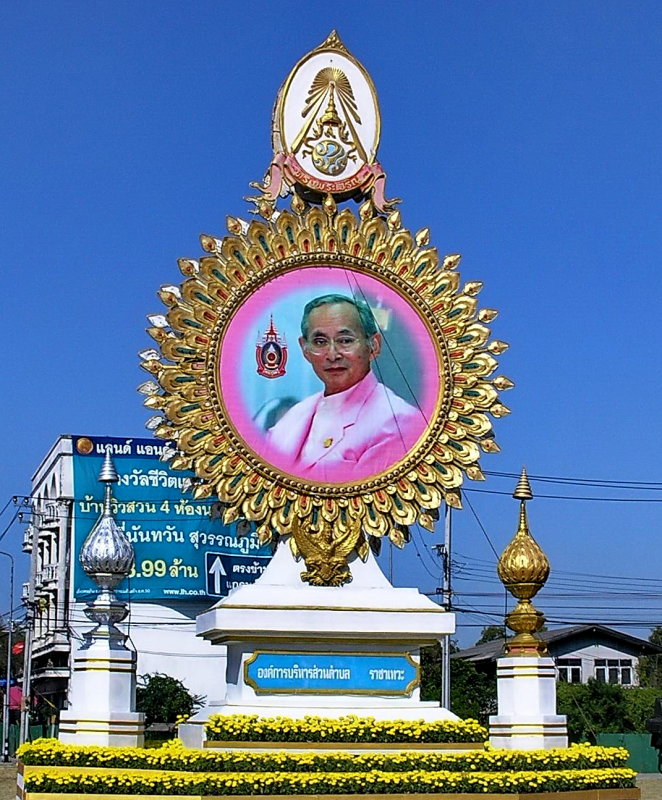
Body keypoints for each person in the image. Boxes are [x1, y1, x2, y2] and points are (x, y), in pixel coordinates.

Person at [266, 294, 425, 480]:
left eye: (345, 340)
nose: (332, 355)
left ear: (373, 346)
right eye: (320, 342)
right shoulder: (291, 420)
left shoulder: (399, 421)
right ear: (305, 349)